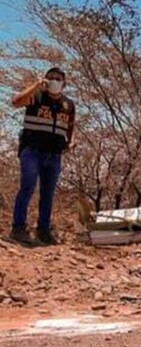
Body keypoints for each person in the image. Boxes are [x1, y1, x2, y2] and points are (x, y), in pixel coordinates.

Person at [8, 68, 76, 245]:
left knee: (48, 193)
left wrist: (70, 142)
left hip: (54, 154)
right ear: (45, 80)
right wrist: (36, 86)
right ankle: (18, 228)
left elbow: (70, 126)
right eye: (51, 78)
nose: (54, 81)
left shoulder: (68, 104)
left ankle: (43, 231)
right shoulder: (36, 97)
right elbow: (15, 102)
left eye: (58, 79)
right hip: (32, 151)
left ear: (64, 83)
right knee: (27, 187)